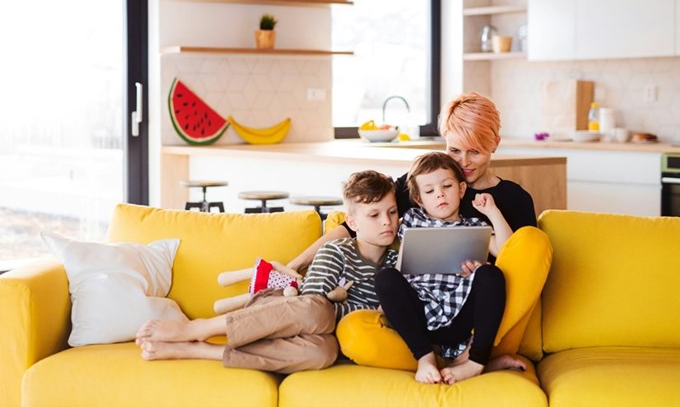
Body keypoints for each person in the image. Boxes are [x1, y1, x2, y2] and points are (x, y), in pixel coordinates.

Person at [288, 92, 553, 370]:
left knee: (495, 272)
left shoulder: (514, 199)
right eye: (454, 150)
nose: (463, 162)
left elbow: (522, 267)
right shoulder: (425, 181)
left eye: (474, 151)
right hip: (420, 308)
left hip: (476, 311)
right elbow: (358, 222)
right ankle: (433, 358)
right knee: (373, 304)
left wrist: (484, 262)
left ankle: (476, 355)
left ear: (495, 144)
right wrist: (296, 264)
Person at [135, 169, 400, 374]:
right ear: (352, 222)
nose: (387, 222)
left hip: (326, 339)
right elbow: (308, 306)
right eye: (374, 215)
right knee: (318, 310)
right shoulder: (338, 251)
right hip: (284, 309)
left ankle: (201, 351)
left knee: (322, 354)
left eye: (392, 212)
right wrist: (355, 310)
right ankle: (198, 329)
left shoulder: (397, 263)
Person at [375, 151, 517, 384]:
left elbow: (506, 251)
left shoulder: (475, 225)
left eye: (447, 186)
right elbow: (398, 259)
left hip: (460, 315)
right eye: (429, 191)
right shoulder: (412, 219)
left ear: (461, 190)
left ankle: (476, 361)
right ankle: (425, 357)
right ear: (419, 200)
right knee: (386, 277)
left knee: (491, 274)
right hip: (419, 314)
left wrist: (492, 212)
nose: (439, 194)